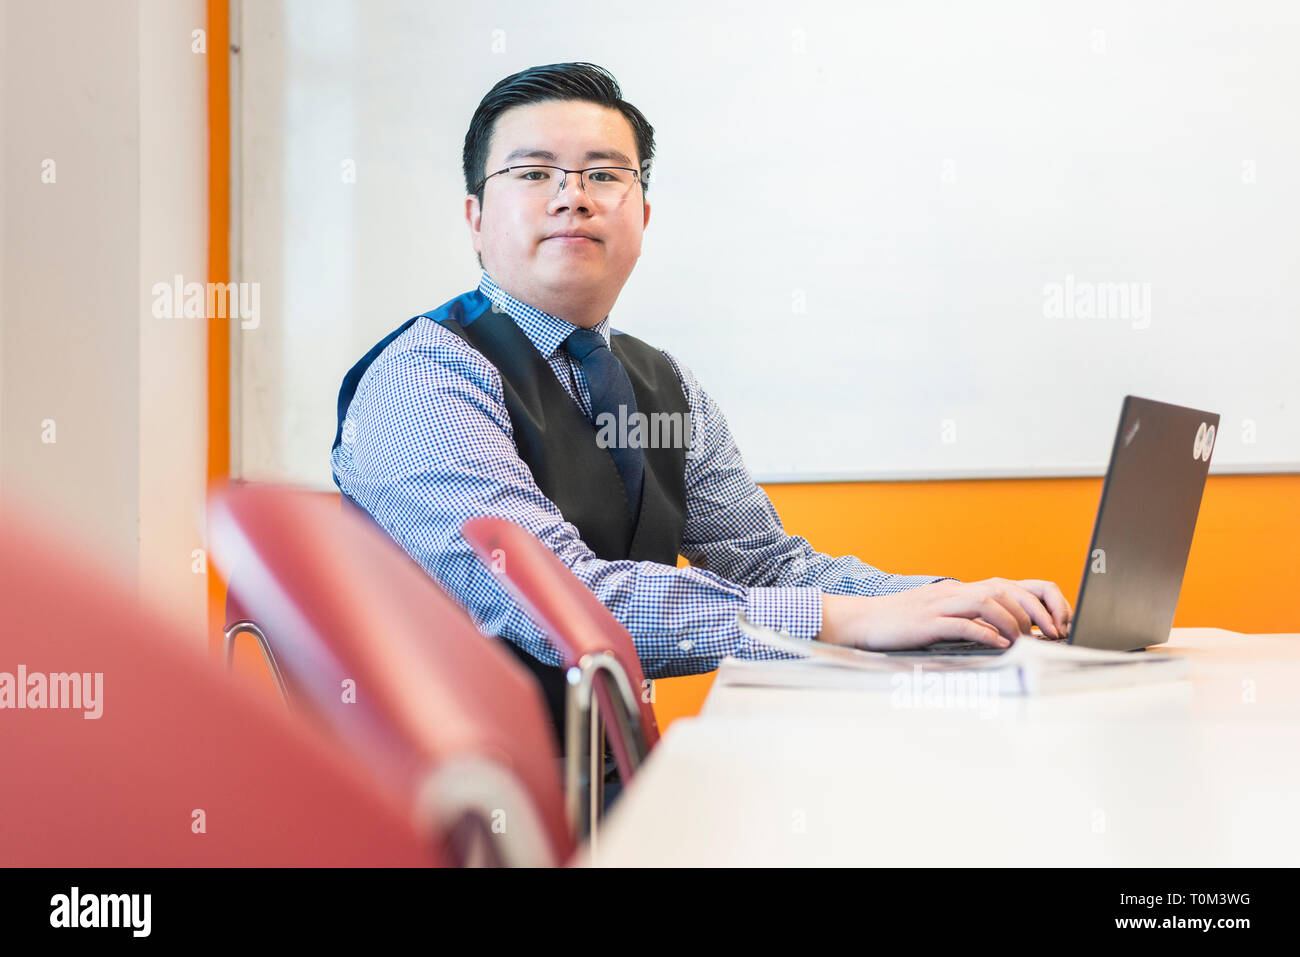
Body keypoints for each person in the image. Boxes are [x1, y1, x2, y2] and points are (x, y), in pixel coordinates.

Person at [331, 61, 1072, 782]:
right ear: (475, 219)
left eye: (604, 173)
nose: (572, 197)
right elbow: (562, 601)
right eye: (533, 174)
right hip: (458, 804)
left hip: (610, 786)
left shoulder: (663, 383)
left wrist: (953, 604)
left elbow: (769, 565)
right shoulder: (426, 375)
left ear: (643, 216)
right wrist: (836, 620)